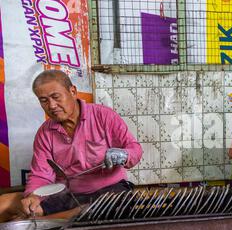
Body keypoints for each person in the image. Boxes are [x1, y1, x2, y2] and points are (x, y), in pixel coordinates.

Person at [0, 70, 143, 222]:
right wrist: (33, 196)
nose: (52, 105)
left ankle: (37, 223)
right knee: (6, 203)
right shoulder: (45, 132)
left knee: (90, 211)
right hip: (68, 195)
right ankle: (38, 222)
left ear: (73, 91)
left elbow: (135, 150)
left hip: (110, 191)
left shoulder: (104, 116)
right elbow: (41, 175)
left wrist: (124, 155)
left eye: (56, 97)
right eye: (44, 100)